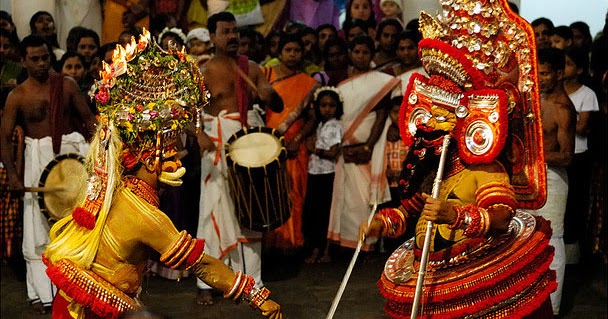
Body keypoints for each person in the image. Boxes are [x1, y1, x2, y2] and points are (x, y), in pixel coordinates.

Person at [43, 29, 282, 319]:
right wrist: (256, 296)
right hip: (85, 309)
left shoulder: (119, 189)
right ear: (149, 158)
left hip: (93, 301)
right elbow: (202, 264)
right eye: (169, 153)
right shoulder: (144, 214)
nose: (176, 160)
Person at [359, 1, 556, 317]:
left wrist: (457, 216)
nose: (428, 125)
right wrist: (382, 223)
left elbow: (502, 216)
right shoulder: (432, 166)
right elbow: (412, 209)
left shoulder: (484, 168)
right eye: (427, 115)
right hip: (432, 271)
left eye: (440, 117)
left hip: (476, 270)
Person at [0, 34, 97, 314]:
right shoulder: (17, 95)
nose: (42, 63)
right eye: (35, 59)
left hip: (71, 163)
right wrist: (15, 178)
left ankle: (78, 291)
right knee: (37, 232)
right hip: (35, 163)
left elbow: (89, 120)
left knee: (78, 226)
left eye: (45, 58)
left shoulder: (66, 86)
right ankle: (42, 293)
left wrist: (101, 155)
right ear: (23, 61)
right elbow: (4, 138)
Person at [194, 11, 283, 306]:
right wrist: (198, 134)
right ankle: (206, 282)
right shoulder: (203, 71)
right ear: (212, 36)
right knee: (212, 214)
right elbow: (186, 110)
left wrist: (268, 95)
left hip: (247, 148)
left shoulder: (252, 68)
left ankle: (252, 283)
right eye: (226, 31)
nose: (232, 36)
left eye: (235, 31)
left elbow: (274, 99)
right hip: (216, 146)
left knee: (250, 216)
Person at [328, 34, 399, 251]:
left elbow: (380, 115)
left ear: (372, 54)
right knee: (349, 199)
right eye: (356, 52)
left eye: (365, 52)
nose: (360, 56)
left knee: (366, 197)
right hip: (347, 147)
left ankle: (370, 244)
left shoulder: (380, 81)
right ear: (350, 54)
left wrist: (368, 146)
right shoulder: (342, 83)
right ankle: (352, 245)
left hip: (371, 146)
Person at [261, 33, 320, 251]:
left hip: (295, 145)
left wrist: (297, 139)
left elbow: (313, 117)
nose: (293, 54)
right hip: (267, 144)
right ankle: (270, 244)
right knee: (271, 193)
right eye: (288, 50)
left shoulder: (308, 83)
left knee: (295, 193)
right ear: (279, 52)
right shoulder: (266, 75)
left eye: (297, 50)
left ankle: (294, 244)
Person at [534, 47, 576, 316]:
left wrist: (535, 153)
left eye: (546, 73)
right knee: (525, 236)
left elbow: (566, 156)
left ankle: (554, 306)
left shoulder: (563, 108)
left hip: (553, 177)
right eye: (537, 72)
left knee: (553, 238)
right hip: (531, 175)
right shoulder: (534, 98)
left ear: (559, 74)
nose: (540, 78)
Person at [563, 46, 599, 264]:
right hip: (560, 153)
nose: (565, 68)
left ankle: (572, 256)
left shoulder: (587, 94)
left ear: (579, 70)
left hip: (578, 156)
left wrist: (561, 121)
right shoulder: (555, 94)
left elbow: (583, 127)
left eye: (569, 64)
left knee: (574, 203)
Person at [302, 86, 344, 264]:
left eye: (331, 105)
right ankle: (315, 248)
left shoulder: (336, 125)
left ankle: (323, 250)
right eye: (323, 105)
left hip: (327, 174)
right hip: (314, 172)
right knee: (313, 212)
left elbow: (333, 152)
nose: (327, 109)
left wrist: (315, 150)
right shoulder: (320, 124)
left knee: (323, 213)